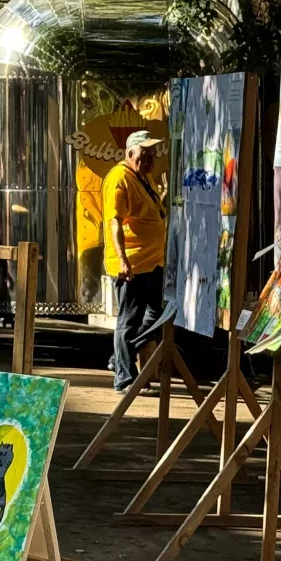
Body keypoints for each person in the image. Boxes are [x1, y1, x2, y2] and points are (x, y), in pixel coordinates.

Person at [104, 129, 168, 391]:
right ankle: (124, 377)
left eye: (153, 154)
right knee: (128, 319)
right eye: (146, 154)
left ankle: (119, 357)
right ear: (130, 154)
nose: (151, 159)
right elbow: (114, 222)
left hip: (153, 262)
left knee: (157, 313)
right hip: (132, 262)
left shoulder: (144, 177)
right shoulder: (119, 178)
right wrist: (122, 259)